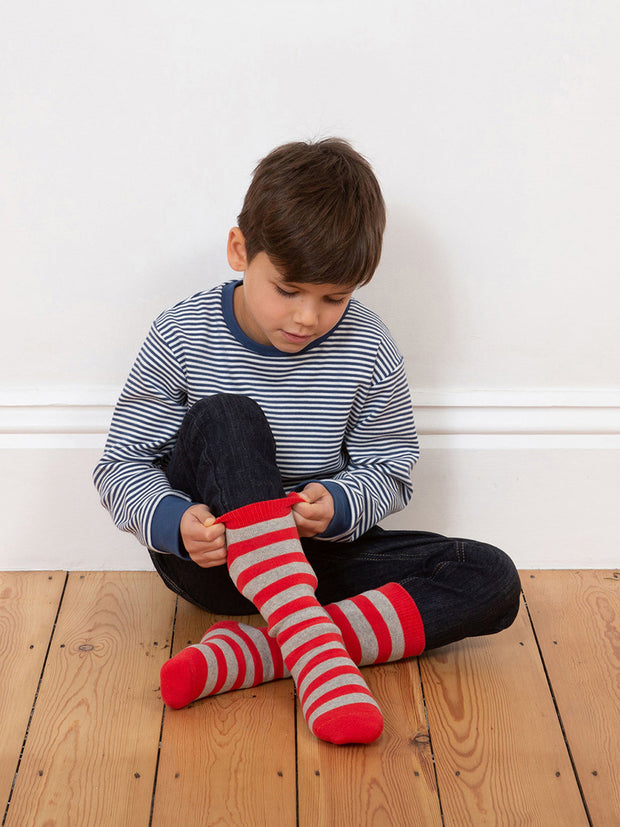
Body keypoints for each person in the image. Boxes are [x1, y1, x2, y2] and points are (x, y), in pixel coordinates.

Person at [94, 138, 521, 745]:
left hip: (314, 563)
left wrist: (339, 503)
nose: (306, 318)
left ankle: (267, 649)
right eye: (288, 290)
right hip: (215, 565)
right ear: (241, 250)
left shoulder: (369, 344)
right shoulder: (182, 333)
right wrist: (173, 521)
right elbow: (121, 465)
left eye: (334, 299)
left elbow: (391, 465)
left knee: (490, 577)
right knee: (226, 417)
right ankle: (317, 655)